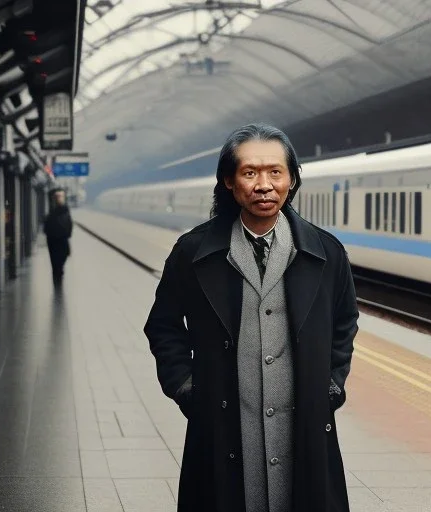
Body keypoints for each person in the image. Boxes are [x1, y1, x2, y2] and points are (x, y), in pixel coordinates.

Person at [144, 123, 359, 512]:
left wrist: (331, 383)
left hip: (304, 428)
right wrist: (185, 386)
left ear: (292, 179)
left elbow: (345, 323)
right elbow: (163, 324)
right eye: (250, 172)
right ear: (228, 180)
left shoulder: (327, 254)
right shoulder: (193, 253)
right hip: (223, 428)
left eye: (275, 172)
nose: (264, 185)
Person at [43, 189, 72, 285]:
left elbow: (69, 225)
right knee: (57, 258)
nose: (58, 199)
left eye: (60, 197)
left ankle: (58, 272)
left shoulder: (59, 211)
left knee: (59, 257)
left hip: (58, 240)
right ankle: (58, 272)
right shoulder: (59, 211)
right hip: (56, 240)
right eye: (57, 197)